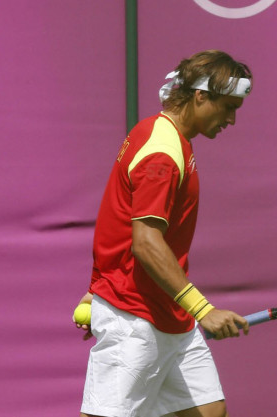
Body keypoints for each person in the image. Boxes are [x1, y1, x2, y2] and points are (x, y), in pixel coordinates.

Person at [76, 50, 254, 417]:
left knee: (207, 410)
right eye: (228, 106)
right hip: (134, 314)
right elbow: (145, 243)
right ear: (201, 96)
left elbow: (116, 220)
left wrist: (96, 289)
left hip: (166, 311)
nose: (232, 119)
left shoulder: (157, 130)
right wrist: (203, 309)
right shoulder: (163, 154)